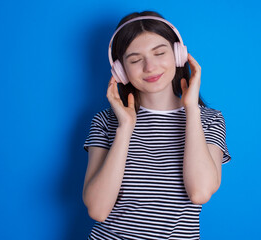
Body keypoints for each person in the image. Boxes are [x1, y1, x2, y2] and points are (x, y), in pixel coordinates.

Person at [82, 11, 231, 239]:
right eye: (134, 60)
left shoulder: (209, 120)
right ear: (120, 70)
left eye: (159, 53)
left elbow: (199, 192)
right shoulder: (105, 122)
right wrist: (125, 129)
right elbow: (98, 210)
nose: (150, 67)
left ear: (178, 55)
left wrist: (191, 109)